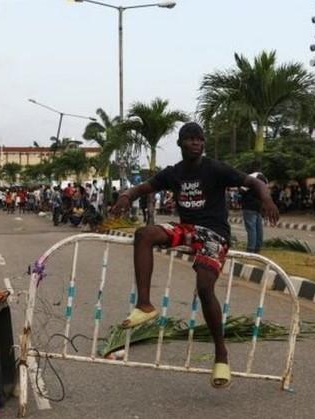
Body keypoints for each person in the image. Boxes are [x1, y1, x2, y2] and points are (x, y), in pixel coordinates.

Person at [110, 122, 279, 389]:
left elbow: (253, 181)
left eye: (200, 139)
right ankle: (145, 305)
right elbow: (143, 188)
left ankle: (221, 354)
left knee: (204, 286)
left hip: (214, 233)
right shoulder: (173, 173)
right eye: (190, 139)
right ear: (180, 143)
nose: (196, 143)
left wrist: (266, 199)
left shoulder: (215, 168)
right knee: (144, 234)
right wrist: (126, 195)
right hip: (188, 230)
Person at [240, 172, 268, 253]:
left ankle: (250, 249)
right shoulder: (264, 179)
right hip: (258, 206)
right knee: (258, 227)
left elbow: (242, 190)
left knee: (251, 228)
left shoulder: (251, 178)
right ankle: (258, 247)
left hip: (249, 206)